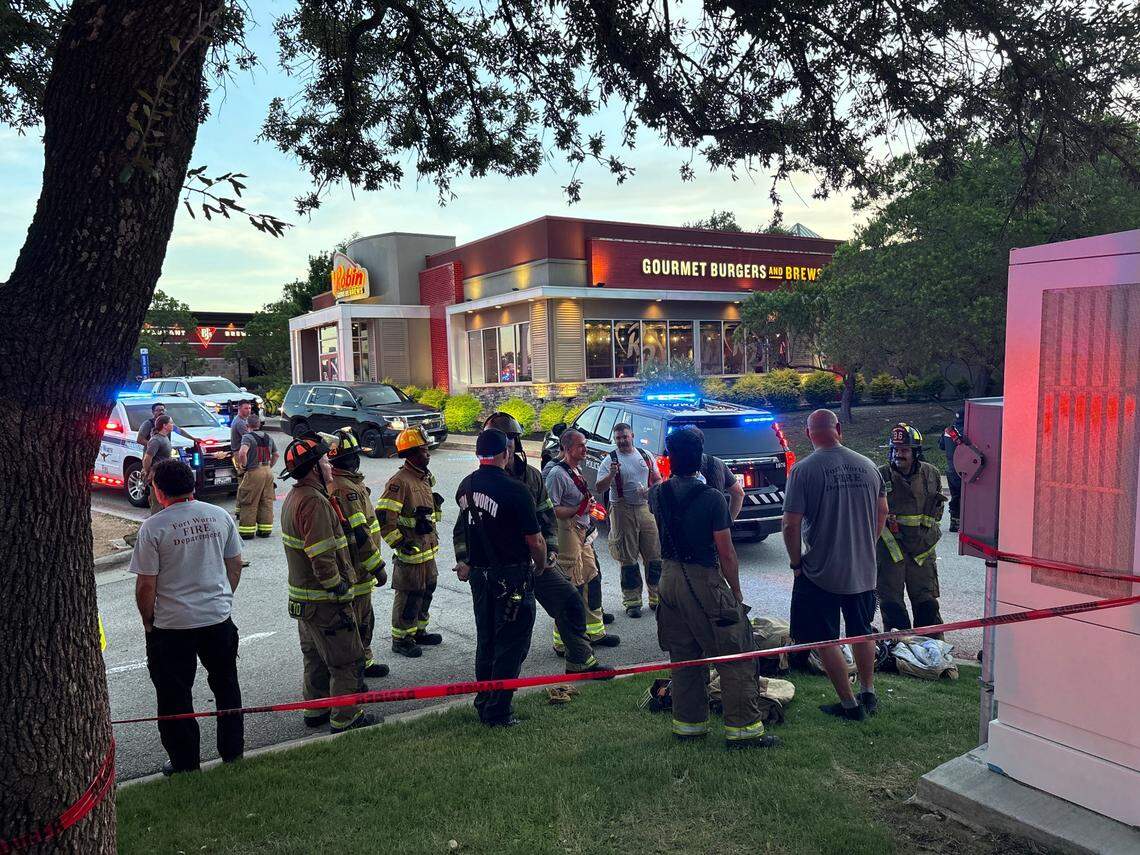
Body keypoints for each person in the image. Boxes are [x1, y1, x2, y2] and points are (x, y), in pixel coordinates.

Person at [649, 427, 776, 749]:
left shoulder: (657, 494)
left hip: (668, 579)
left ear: (670, 459)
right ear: (700, 458)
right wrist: (735, 592)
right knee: (736, 653)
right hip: (703, 578)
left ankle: (689, 725)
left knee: (684, 656)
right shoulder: (712, 499)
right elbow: (726, 552)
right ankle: (744, 730)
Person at [130, 458, 244, 775]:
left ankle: (185, 763)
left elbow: (146, 585)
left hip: (172, 626)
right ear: (192, 484)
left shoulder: (154, 528)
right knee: (226, 686)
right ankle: (233, 752)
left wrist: (148, 621)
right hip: (217, 619)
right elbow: (234, 565)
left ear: (158, 490)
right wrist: (222, 598)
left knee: (174, 696)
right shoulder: (219, 516)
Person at [470, 413, 608, 674]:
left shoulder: (532, 477)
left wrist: (552, 550)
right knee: (497, 632)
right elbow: (465, 528)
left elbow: (547, 516)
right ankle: (490, 689)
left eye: (509, 438)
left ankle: (579, 659)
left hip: (536, 562)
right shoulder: (477, 482)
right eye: (497, 438)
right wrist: (465, 560)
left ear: (516, 442)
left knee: (570, 600)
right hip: (498, 570)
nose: (505, 444)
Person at [782, 409, 888, 722]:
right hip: (863, 569)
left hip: (820, 572)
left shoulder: (803, 470)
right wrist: (867, 542)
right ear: (838, 428)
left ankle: (849, 705)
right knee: (862, 631)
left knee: (824, 638)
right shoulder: (868, 465)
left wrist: (796, 563)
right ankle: (868, 691)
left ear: (808, 433)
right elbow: (883, 510)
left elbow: (790, 524)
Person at [280, 434, 378, 733]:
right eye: (324, 460)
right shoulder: (314, 502)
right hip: (325, 601)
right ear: (313, 468)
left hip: (305, 601)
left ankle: (316, 710)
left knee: (315, 658)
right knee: (346, 659)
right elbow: (322, 554)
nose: (329, 466)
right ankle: (346, 717)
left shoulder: (296, 497)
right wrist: (338, 588)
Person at [453, 429, 548, 726]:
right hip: (512, 577)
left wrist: (465, 561)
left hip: (480, 578)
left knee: (487, 640)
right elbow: (535, 540)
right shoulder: (516, 490)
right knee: (512, 644)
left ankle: (484, 700)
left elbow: (463, 529)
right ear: (505, 454)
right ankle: (498, 711)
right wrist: (541, 565)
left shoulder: (466, 486)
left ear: (477, 454)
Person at [322, 428, 390, 680]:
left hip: (361, 567)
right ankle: (356, 670)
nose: (356, 460)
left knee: (364, 618)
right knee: (359, 621)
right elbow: (359, 534)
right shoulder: (344, 489)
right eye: (351, 456)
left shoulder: (350, 483)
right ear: (343, 461)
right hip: (357, 567)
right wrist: (377, 567)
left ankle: (365, 661)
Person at [545, 429, 621, 651]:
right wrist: (579, 508)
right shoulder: (557, 474)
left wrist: (588, 508)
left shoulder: (575, 470)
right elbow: (552, 510)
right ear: (568, 448)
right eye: (581, 446)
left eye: (585, 444)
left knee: (590, 577)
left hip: (583, 532)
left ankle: (595, 632)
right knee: (571, 585)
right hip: (567, 531)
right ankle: (564, 642)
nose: (585, 449)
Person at [376, 427, 444, 658]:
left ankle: (418, 631)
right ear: (412, 453)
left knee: (427, 590)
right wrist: (399, 543)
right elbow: (384, 517)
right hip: (411, 552)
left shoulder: (423, 478)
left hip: (427, 550)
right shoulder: (399, 482)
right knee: (409, 595)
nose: (428, 454)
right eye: (424, 451)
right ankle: (401, 639)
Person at [877, 423, 946, 634]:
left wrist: (924, 540)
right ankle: (899, 646)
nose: (899, 454)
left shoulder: (931, 474)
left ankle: (931, 645)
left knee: (926, 601)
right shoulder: (880, 475)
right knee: (891, 601)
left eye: (905, 450)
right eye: (895, 449)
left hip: (922, 550)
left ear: (916, 452)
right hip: (890, 551)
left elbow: (936, 512)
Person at [596, 422, 663, 617]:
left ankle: (657, 598)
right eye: (618, 438)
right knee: (628, 558)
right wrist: (611, 474)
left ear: (632, 436)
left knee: (654, 556)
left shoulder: (645, 455)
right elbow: (599, 488)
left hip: (645, 508)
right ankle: (632, 602)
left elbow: (658, 479)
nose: (622, 441)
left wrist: (650, 491)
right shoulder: (610, 460)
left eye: (625, 437)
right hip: (621, 509)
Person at [680, 426, 746, 521]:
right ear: (702, 444)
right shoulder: (718, 463)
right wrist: (727, 521)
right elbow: (739, 494)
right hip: (715, 526)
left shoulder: (675, 466)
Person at [234, 412, 277, 539]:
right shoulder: (268, 437)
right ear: (259, 424)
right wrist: (269, 466)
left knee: (249, 500)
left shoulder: (247, 437)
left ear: (247, 426)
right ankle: (265, 530)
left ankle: (247, 532)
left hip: (254, 471)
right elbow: (276, 455)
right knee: (266, 500)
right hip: (267, 471)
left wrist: (244, 465)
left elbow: (242, 453)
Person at [143, 414, 178, 515]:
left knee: (165, 502)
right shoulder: (156, 440)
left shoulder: (165, 438)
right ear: (164, 425)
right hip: (157, 475)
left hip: (164, 475)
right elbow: (147, 458)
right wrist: (148, 472)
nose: (173, 425)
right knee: (157, 503)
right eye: (171, 423)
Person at [939, 410, 964, 532]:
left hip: (951, 470)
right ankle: (964, 523)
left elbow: (941, 446)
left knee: (955, 496)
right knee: (963, 497)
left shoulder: (948, 431)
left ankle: (954, 522)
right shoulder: (966, 431)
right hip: (963, 471)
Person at [230, 400, 253, 481]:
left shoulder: (241, 420)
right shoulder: (240, 423)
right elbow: (250, 439)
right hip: (240, 454)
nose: (249, 410)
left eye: (249, 408)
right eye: (246, 408)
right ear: (239, 409)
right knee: (244, 479)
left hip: (240, 452)